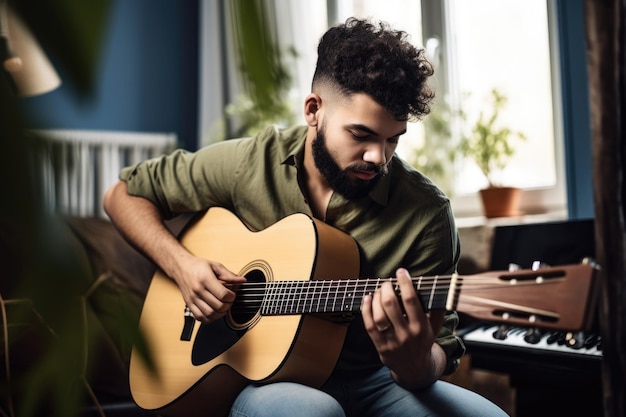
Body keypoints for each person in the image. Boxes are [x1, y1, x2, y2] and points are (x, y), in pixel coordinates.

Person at [103, 17, 508, 417]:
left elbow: (442, 349)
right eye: (361, 135)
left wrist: (414, 362)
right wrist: (184, 267)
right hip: (271, 384)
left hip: (382, 382)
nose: (378, 158)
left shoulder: (426, 212)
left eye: (392, 140)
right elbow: (123, 194)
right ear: (314, 110)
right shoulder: (252, 163)